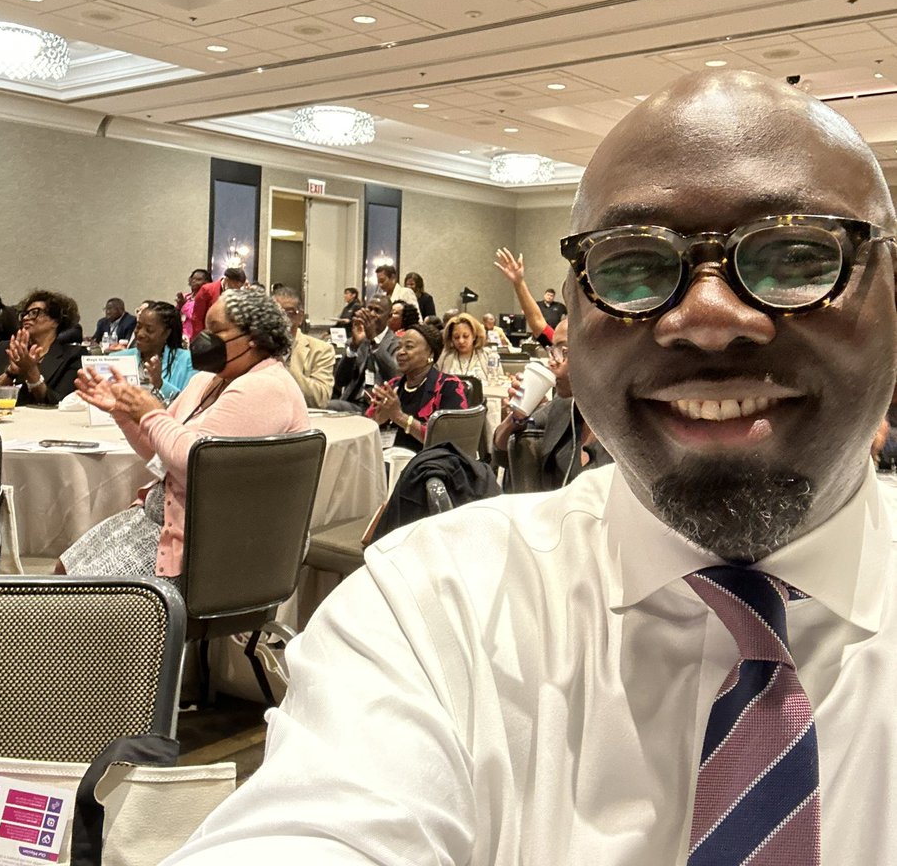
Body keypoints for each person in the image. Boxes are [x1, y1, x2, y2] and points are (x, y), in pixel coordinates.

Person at [168, 69, 897, 864]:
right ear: (574, 318)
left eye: (796, 255)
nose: (709, 318)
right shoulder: (435, 607)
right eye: (633, 264)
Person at [60, 288, 309, 588]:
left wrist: (151, 413)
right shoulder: (207, 380)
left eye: (216, 330)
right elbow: (161, 452)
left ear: (253, 337)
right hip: (160, 520)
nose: (204, 338)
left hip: (207, 545)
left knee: (76, 597)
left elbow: (198, 465)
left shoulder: (265, 387)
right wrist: (124, 413)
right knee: (62, 572)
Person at [492, 317, 610, 489]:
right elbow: (501, 453)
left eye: (563, 351)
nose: (551, 362)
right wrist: (516, 417)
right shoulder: (563, 407)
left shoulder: (629, 426)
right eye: (552, 351)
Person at [366, 323, 468, 450]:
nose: (400, 352)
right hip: (386, 455)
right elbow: (366, 428)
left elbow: (448, 441)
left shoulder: (449, 386)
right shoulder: (392, 386)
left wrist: (400, 417)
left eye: (409, 347)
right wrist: (377, 420)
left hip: (428, 459)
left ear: (430, 353)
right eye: (399, 347)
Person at [0, 290, 84, 405]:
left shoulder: (73, 355)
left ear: (55, 321)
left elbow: (61, 402)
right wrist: (10, 373)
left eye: (34, 313)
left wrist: (32, 371)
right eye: (24, 314)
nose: (25, 318)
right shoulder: (5, 348)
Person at [109, 301, 197, 403]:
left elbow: (189, 404)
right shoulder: (117, 359)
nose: (140, 334)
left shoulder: (187, 360)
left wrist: (160, 384)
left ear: (166, 333)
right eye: (138, 326)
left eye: (149, 330)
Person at [329, 295, 400, 413]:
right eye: (369, 309)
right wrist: (353, 347)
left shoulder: (396, 344)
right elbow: (340, 381)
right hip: (353, 401)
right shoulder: (359, 338)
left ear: (389, 316)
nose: (372, 314)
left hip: (378, 407)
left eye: (377, 311)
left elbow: (394, 377)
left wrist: (374, 341)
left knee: (329, 406)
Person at [273, 286, 335, 408]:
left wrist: (282, 366)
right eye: (276, 312)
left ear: (300, 317)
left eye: (289, 313)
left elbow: (320, 399)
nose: (282, 319)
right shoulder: (257, 347)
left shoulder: (320, 350)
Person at [494, 247, 553, 343]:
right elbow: (537, 324)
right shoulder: (558, 347)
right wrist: (519, 283)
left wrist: (519, 283)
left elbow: (538, 325)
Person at [438, 313, 503, 380]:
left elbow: (499, 382)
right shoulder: (445, 356)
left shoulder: (490, 355)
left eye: (465, 336)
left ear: (474, 336)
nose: (461, 341)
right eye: (456, 337)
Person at [189, 267, 247, 339]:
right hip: (208, 333)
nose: (237, 289)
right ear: (227, 280)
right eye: (235, 286)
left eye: (240, 287)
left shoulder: (239, 293)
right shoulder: (207, 290)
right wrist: (202, 337)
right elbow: (197, 318)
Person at [176, 269, 211, 343]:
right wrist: (178, 307)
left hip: (195, 337)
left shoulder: (206, 299)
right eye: (193, 279)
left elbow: (196, 316)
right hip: (181, 336)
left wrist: (184, 305)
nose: (194, 281)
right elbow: (176, 316)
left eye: (199, 279)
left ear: (207, 282)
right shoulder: (186, 296)